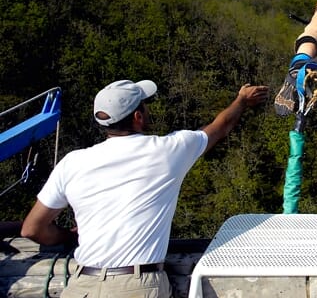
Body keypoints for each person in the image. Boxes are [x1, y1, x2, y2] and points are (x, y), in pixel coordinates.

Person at [21, 78, 270, 298]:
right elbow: (219, 128)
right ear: (138, 117)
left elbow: (32, 229)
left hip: (81, 284)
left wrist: (68, 236)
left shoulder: (72, 162)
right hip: (137, 286)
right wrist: (241, 101)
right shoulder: (167, 151)